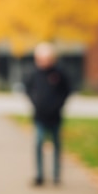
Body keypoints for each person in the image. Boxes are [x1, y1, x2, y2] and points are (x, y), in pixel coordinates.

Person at [23, 42, 72, 186]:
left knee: (57, 144)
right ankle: (39, 175)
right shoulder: (34, 73)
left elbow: (66, 90)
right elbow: (28, 89)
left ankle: (56, 174)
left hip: (55, 115)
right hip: (40, 115)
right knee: (38, 143)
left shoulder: (59, 73)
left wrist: (59, 104)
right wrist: (35, 102)